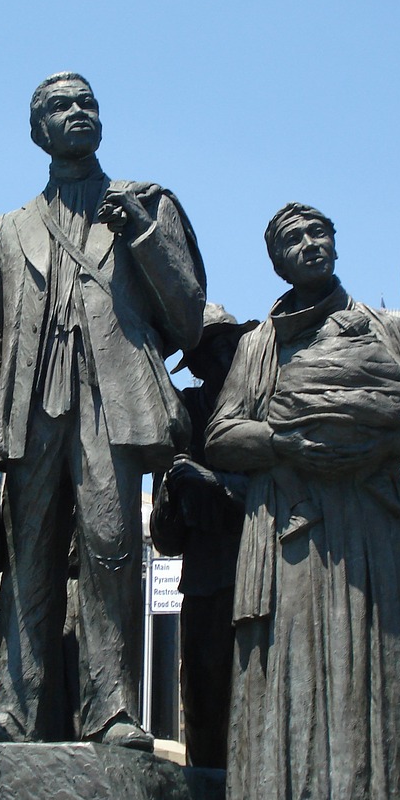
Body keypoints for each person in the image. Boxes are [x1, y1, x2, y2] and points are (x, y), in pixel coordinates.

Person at [0, 72, 205, 748]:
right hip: (30, 406)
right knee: (27, 559)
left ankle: (111, 708)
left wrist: (146, 238)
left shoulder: (145, 204)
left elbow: (186, 316)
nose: (78, 114)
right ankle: (16, 709)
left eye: (87, 102)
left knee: (111, 551)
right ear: (39, 131)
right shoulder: (9, 230)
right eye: (61, 107)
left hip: (109, 400)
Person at [205, 203, 400, 800]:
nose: (310, 245)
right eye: (294, 240)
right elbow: (223, 434)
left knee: (372, 661)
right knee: (300, 664)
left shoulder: (385, 329)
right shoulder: (261, 344)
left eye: (319, 234)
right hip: (296, 527)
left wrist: (381, 442)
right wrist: (290, 443)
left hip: (369, 518)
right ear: (276, 260)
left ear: (336, 244)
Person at [148, 304, 256, 770]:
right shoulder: (185, 417)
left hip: (263, 576)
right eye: (203, 354)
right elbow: (165, 540)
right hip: (205, 585)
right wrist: (175, 490)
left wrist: (213, 484)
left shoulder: (264, 406)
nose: (216, 361)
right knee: (205, 700)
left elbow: (284, 496)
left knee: (261, 698)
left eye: (224, 347)